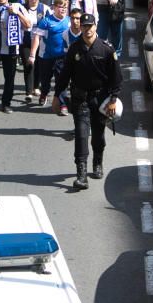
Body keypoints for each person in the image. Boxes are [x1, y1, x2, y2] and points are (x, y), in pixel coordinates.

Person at [54, 13, 122, 190]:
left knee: (98, 136)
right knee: (81, 134)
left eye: (90, 26)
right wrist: (56, 95)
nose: (87, 29)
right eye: (84, 26)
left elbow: (116, 77)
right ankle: (81, 174)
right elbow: (65, 74)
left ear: (96, 26)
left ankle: (97, 162)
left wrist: (113, 99)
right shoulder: (75, 49)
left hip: (100, 100)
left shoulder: (107, 49)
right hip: (80, 99)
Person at [29, 0, 70, 110]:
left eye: (65, 7)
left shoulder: (69, 21)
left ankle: (63, 104)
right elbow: (37, 37)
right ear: (54, 8)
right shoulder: (46, 21)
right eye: (60, 7)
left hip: (62, 57)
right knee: (45, 80)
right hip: (46, 56)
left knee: (61, 81)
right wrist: (32, 55)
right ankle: (44, 93)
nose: (63, 9)